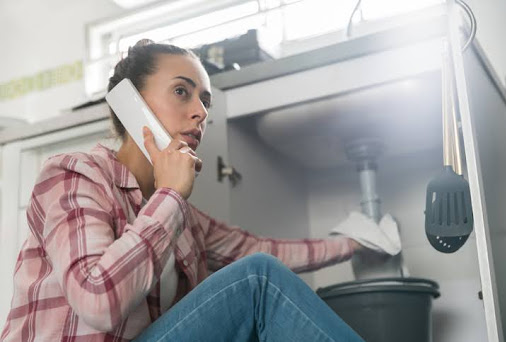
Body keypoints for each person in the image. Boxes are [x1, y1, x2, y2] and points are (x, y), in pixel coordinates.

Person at [1, 39, 366, 342]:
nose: (200, 113)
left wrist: (355, 244)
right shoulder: (73, 174)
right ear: (131, 104)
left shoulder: (186, 221)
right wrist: (171, 195)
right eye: (181, 92)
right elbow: (97, 299)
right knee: (257, 278)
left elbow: (262, 249)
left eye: (205, 101)